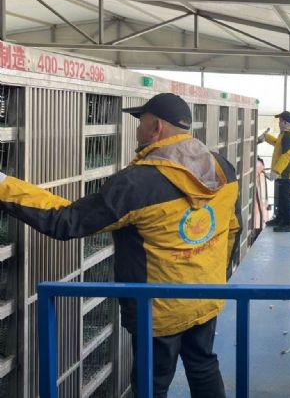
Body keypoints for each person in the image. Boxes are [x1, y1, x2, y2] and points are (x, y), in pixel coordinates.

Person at [0, 93, 241, 398]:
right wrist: (215, 281)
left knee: (152, 384)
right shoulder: (222, 168)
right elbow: (233, 228)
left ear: (157, 127)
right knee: (204, 366)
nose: (137, 129)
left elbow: (66, 221)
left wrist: (4, 185)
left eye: (141, 122)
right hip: (205, 297)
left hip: (157, 310)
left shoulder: (138, 183)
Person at [257, 110, 290, 232]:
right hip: (282, 172)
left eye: (280, 121)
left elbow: (286, 155)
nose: (279, 123)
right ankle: (280, 219)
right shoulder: (285, 134)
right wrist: (266, 137)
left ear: (285, 122)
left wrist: (276, 171)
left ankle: (287, 223)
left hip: (285, 173)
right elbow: (278, 144)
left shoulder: (289, 136)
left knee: (286, 198)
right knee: (281, 197)